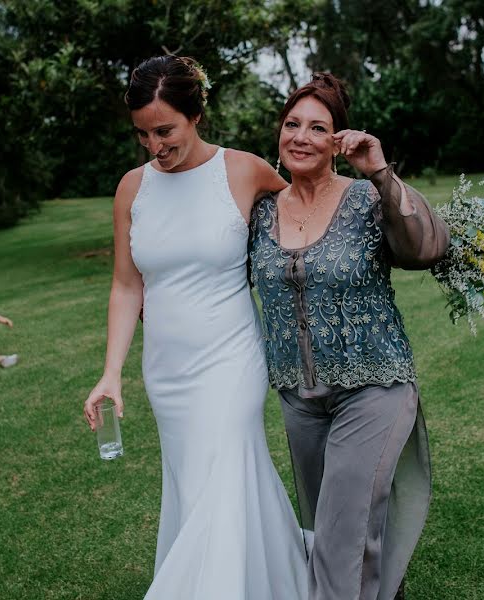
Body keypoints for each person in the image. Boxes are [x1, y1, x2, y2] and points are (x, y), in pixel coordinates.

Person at [82, 55, 308, 599]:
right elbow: (126, 285)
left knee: (225, 476)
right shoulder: (132, 189)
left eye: (165, 131)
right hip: (167, 372)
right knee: (202, 490)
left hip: (232, 361)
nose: (154, 146)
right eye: (142, 134)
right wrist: (111, 373)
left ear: (196, 114)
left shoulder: (244, 170)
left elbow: (309, 209)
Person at [248, 73, 451, 600]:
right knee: (335, 531)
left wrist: (381, 173)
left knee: (342, 540)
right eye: (292, 124)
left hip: (373, 387)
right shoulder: (263, 209)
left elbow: (423, 249)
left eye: (318, 127)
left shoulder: (365, 198)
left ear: (338, 140)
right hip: (299, 399)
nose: (300, 137)